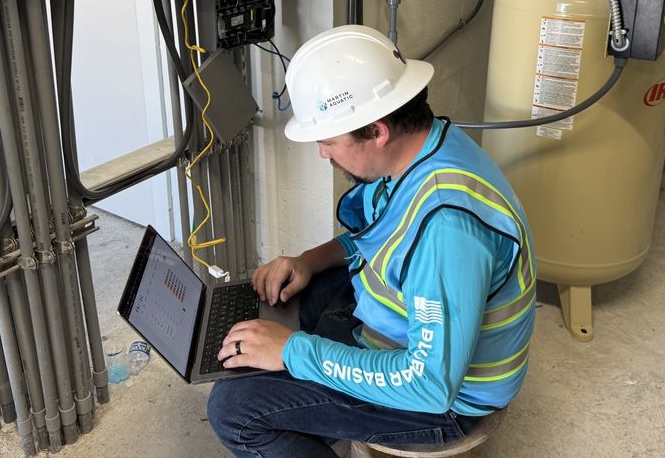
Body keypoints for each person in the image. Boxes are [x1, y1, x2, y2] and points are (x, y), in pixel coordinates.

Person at [207, 25, 534, 457]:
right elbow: (387, 235)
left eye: (328, 141)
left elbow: (429, 386)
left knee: (234, 408)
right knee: (285, 299)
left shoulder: (446, 229)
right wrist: (310, 260)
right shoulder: (425, 147)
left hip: (448, 402)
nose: (324, 154)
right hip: (412, 338)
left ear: (377, 131)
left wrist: (294, 352)